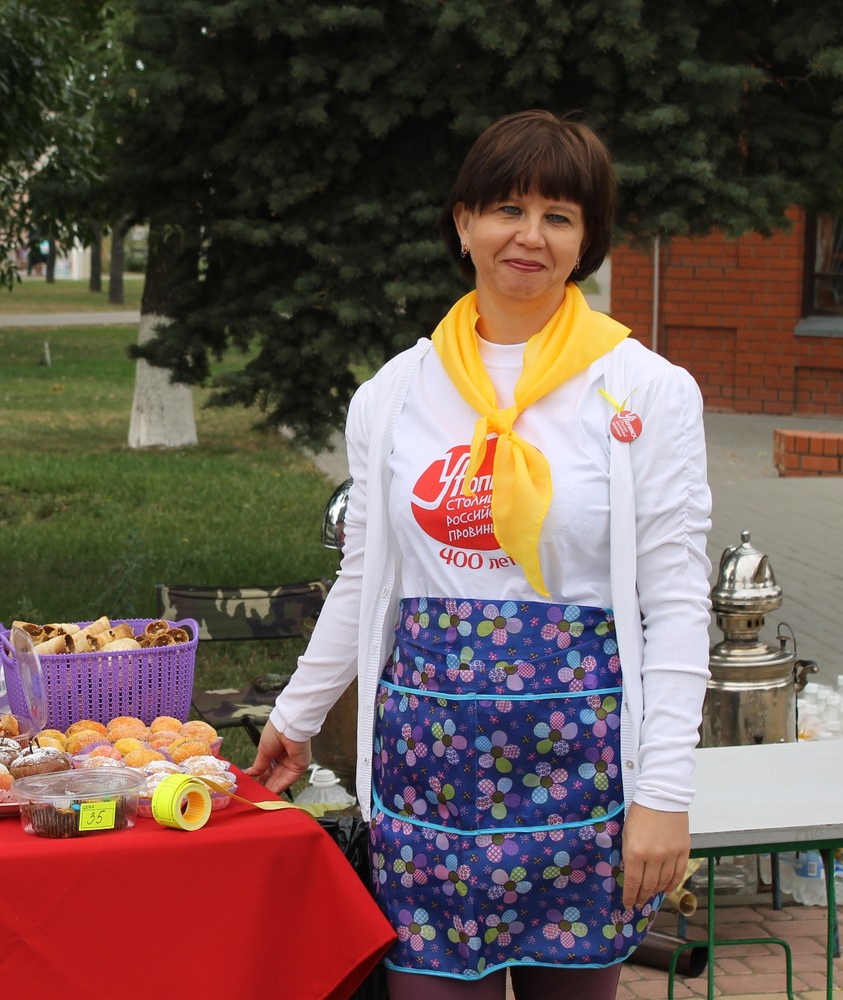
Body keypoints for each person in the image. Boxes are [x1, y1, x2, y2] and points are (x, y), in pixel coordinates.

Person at [247, 110, 713, 999]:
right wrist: (297, 716)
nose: (528, 236)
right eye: (506, 208)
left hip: (583, 776)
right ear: (463, 223)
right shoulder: (393, 395)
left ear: (587, 241)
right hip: (424, 775)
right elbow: (365, 577)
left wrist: (664, 795)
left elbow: (679, 605)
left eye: (559, 216)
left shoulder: (647, 391)